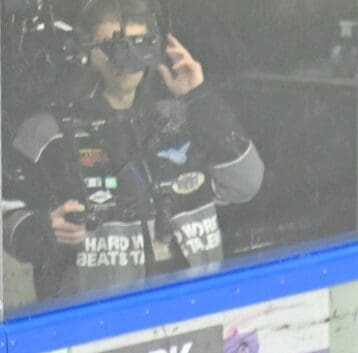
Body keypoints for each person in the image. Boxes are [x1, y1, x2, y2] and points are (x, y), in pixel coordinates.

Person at [1, 0, 262, 302]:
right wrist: (44, 230)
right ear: (85, 52)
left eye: (138, 44)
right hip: (98, 324)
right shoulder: (48, 132)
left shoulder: (184, 119)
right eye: (112, 46)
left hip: (196, 310)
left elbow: (247, 183)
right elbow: (8, 217)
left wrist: (199, 98)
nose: (124, 59)